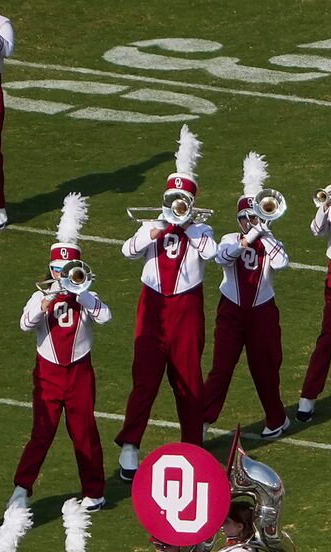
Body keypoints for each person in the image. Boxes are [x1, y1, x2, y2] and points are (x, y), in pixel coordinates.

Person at [115, 128, 214, 467]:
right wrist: (153, 232)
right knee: (144, 378)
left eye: (183, 201)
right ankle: (130, 443)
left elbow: (211, 252)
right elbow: (127, 251)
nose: (177, 206)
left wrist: (186, 226)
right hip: (153, 305)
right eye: (173, 200)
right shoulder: (150, 226)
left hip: (186, 308)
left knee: (187, 378)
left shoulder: (201, 230)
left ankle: (193, 444)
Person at [11, 195, 107, 507]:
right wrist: (44, 303)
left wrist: (83, 295)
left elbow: (106, 317)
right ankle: (22, 489)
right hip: (48, 373)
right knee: (42, 432)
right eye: (56, 269)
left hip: (80, 371)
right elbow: (25, 324)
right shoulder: (39, 295)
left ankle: (94, 491)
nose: (61, 275)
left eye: (68, 269)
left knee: (84, 431)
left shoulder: (86, 295)